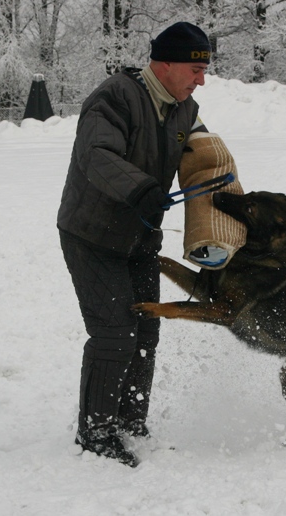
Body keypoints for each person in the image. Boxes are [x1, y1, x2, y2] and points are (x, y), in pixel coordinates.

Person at [57, 22, 212, 467]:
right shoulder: (115, 96)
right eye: (193, 70)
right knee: (114, 333)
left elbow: (206, 152)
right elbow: (96, 155)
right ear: (163, 64)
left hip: (141, 236)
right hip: (92, 234)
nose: (201, 79)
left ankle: (130, 420)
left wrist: (228, 195)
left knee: (147, 329)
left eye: (204, 71)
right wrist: (142, 187)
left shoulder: (186, 107)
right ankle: (97, 432)